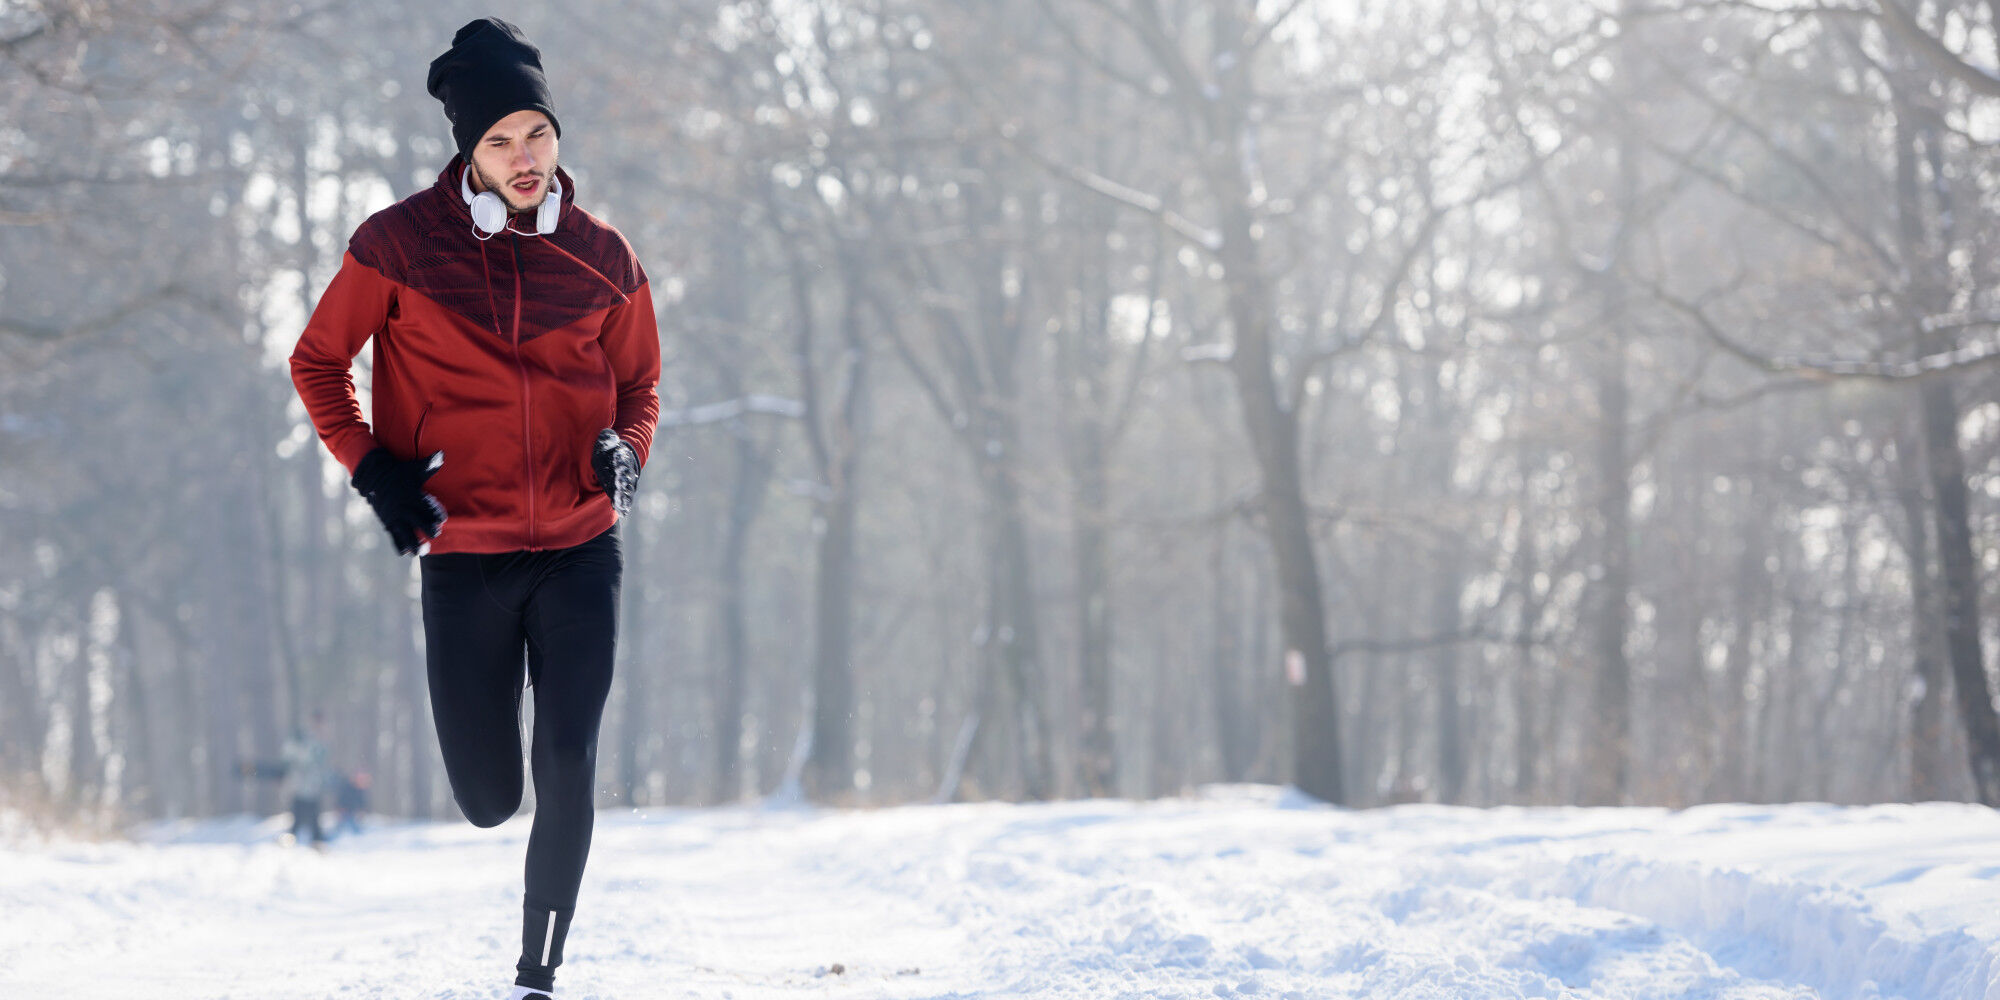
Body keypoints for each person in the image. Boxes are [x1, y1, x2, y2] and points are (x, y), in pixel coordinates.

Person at [288, 17, 660, 1000]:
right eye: (498, 140)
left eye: (535, 132)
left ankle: (539, 971)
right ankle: (505, 845)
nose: (523, 157)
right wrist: (374, 468)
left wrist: (628, 450)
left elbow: (640, 388)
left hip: (581, 551)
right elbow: (318, 361)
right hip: (463, 559)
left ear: (556, 134)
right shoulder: (397, 246)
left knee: (569, 757)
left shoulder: (603, 257)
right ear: (467, 150)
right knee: (491, 797)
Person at [242, 709, 336, 849]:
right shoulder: (301, 737)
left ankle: (315, 841)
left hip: (313, 787)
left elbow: (322, 764)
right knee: (298, 817)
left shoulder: (321, 741)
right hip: (300, 785)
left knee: (313, 817)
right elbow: (290, 755)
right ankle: (294, 841)